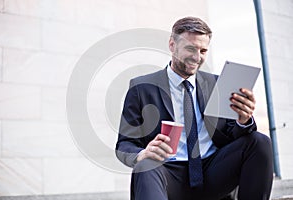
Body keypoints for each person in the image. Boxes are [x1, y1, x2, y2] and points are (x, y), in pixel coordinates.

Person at [115, 16, 273, 200]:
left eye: (203, 50)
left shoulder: (217, 84)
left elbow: (233, 136)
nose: (197, 57)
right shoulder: (141, 88)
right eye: (190, 48)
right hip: (168, 174)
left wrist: (243, 120)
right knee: (145, 165)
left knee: (259, 141)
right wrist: (141, 154)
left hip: (214, 172)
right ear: (172, 45)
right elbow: (124, 144)